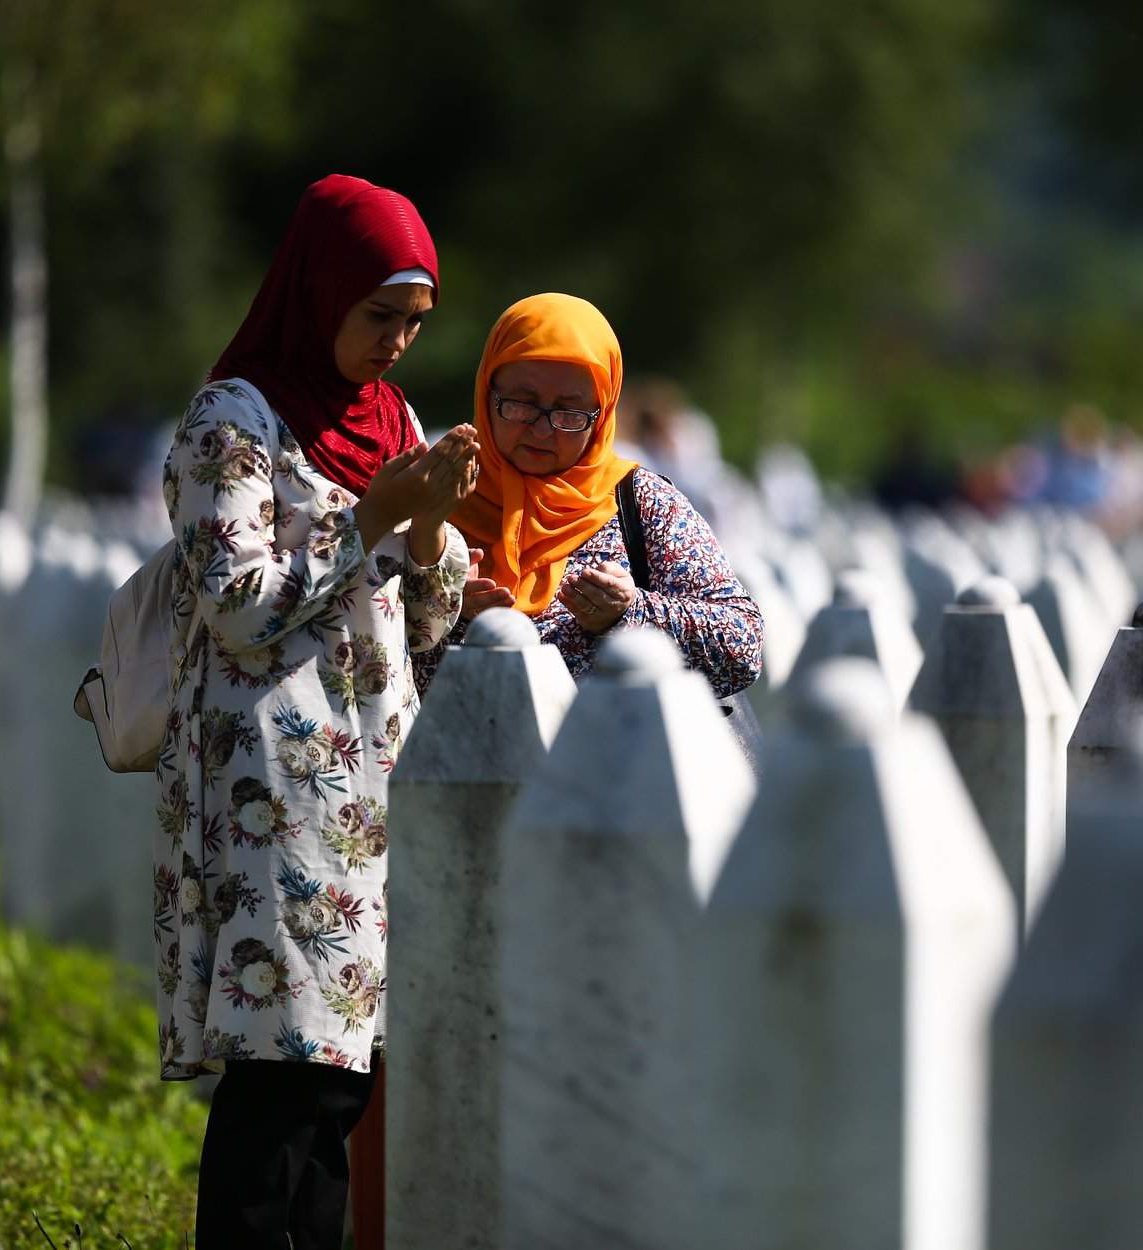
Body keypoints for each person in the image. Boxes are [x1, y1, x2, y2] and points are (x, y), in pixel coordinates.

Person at [154, 173, 475, 1250]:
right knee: (280, 1070)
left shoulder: (393, 421)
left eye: (414, 323)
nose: (395, 344)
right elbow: (236, 601)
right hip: (269, 785)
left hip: (371, 781)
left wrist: (426, 533)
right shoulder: (235, 419)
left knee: (340, 1079)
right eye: (378, 314)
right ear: (319, 290)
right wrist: (372, 521)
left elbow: (428, 622)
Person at [413, 292, 762, 699]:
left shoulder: (641, 503)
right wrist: (444, 606)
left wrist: (628, 612)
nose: (542, 430)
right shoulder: (438, 491)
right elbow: (360, 641)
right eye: (522, 404)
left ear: (603, 412)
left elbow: (742, 646)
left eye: (570, 413)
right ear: (487, 391)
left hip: (606, 760)